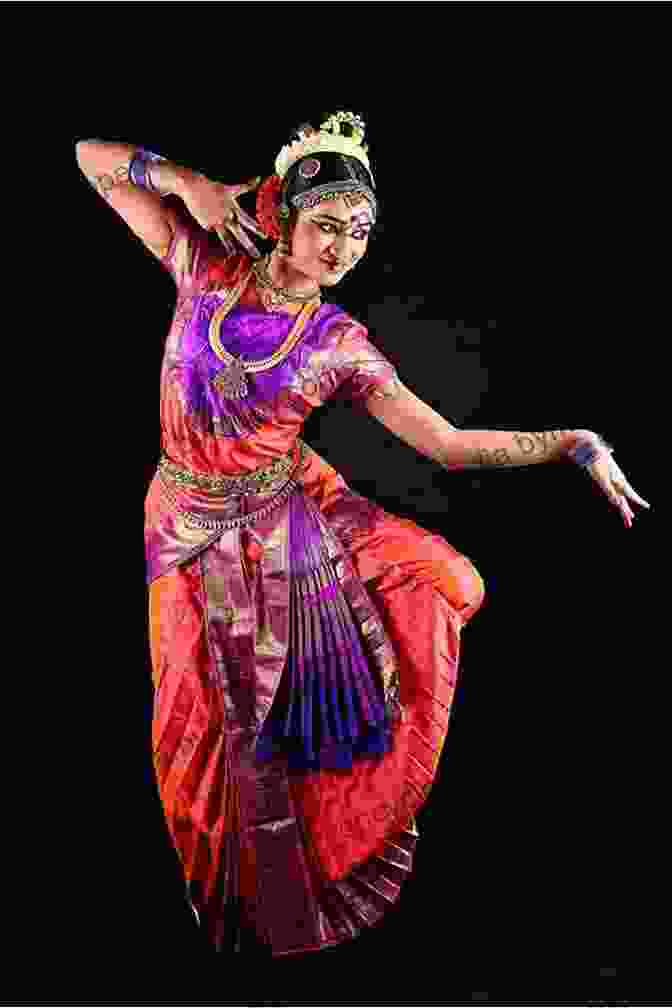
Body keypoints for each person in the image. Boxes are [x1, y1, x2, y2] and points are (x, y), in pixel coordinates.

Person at [75, 111, 650, 959]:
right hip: (181, 524)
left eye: (361, 232)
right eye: (330, 224)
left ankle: (269, 913)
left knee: (259, 736)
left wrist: (570, 444)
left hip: (278, 533)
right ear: (283, 215)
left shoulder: (338, 343)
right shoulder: (204, 266)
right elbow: (91, 160)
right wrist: (186, 181)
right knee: (187, 724)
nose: (345, 246)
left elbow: (445, 443)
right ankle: (220, 901)